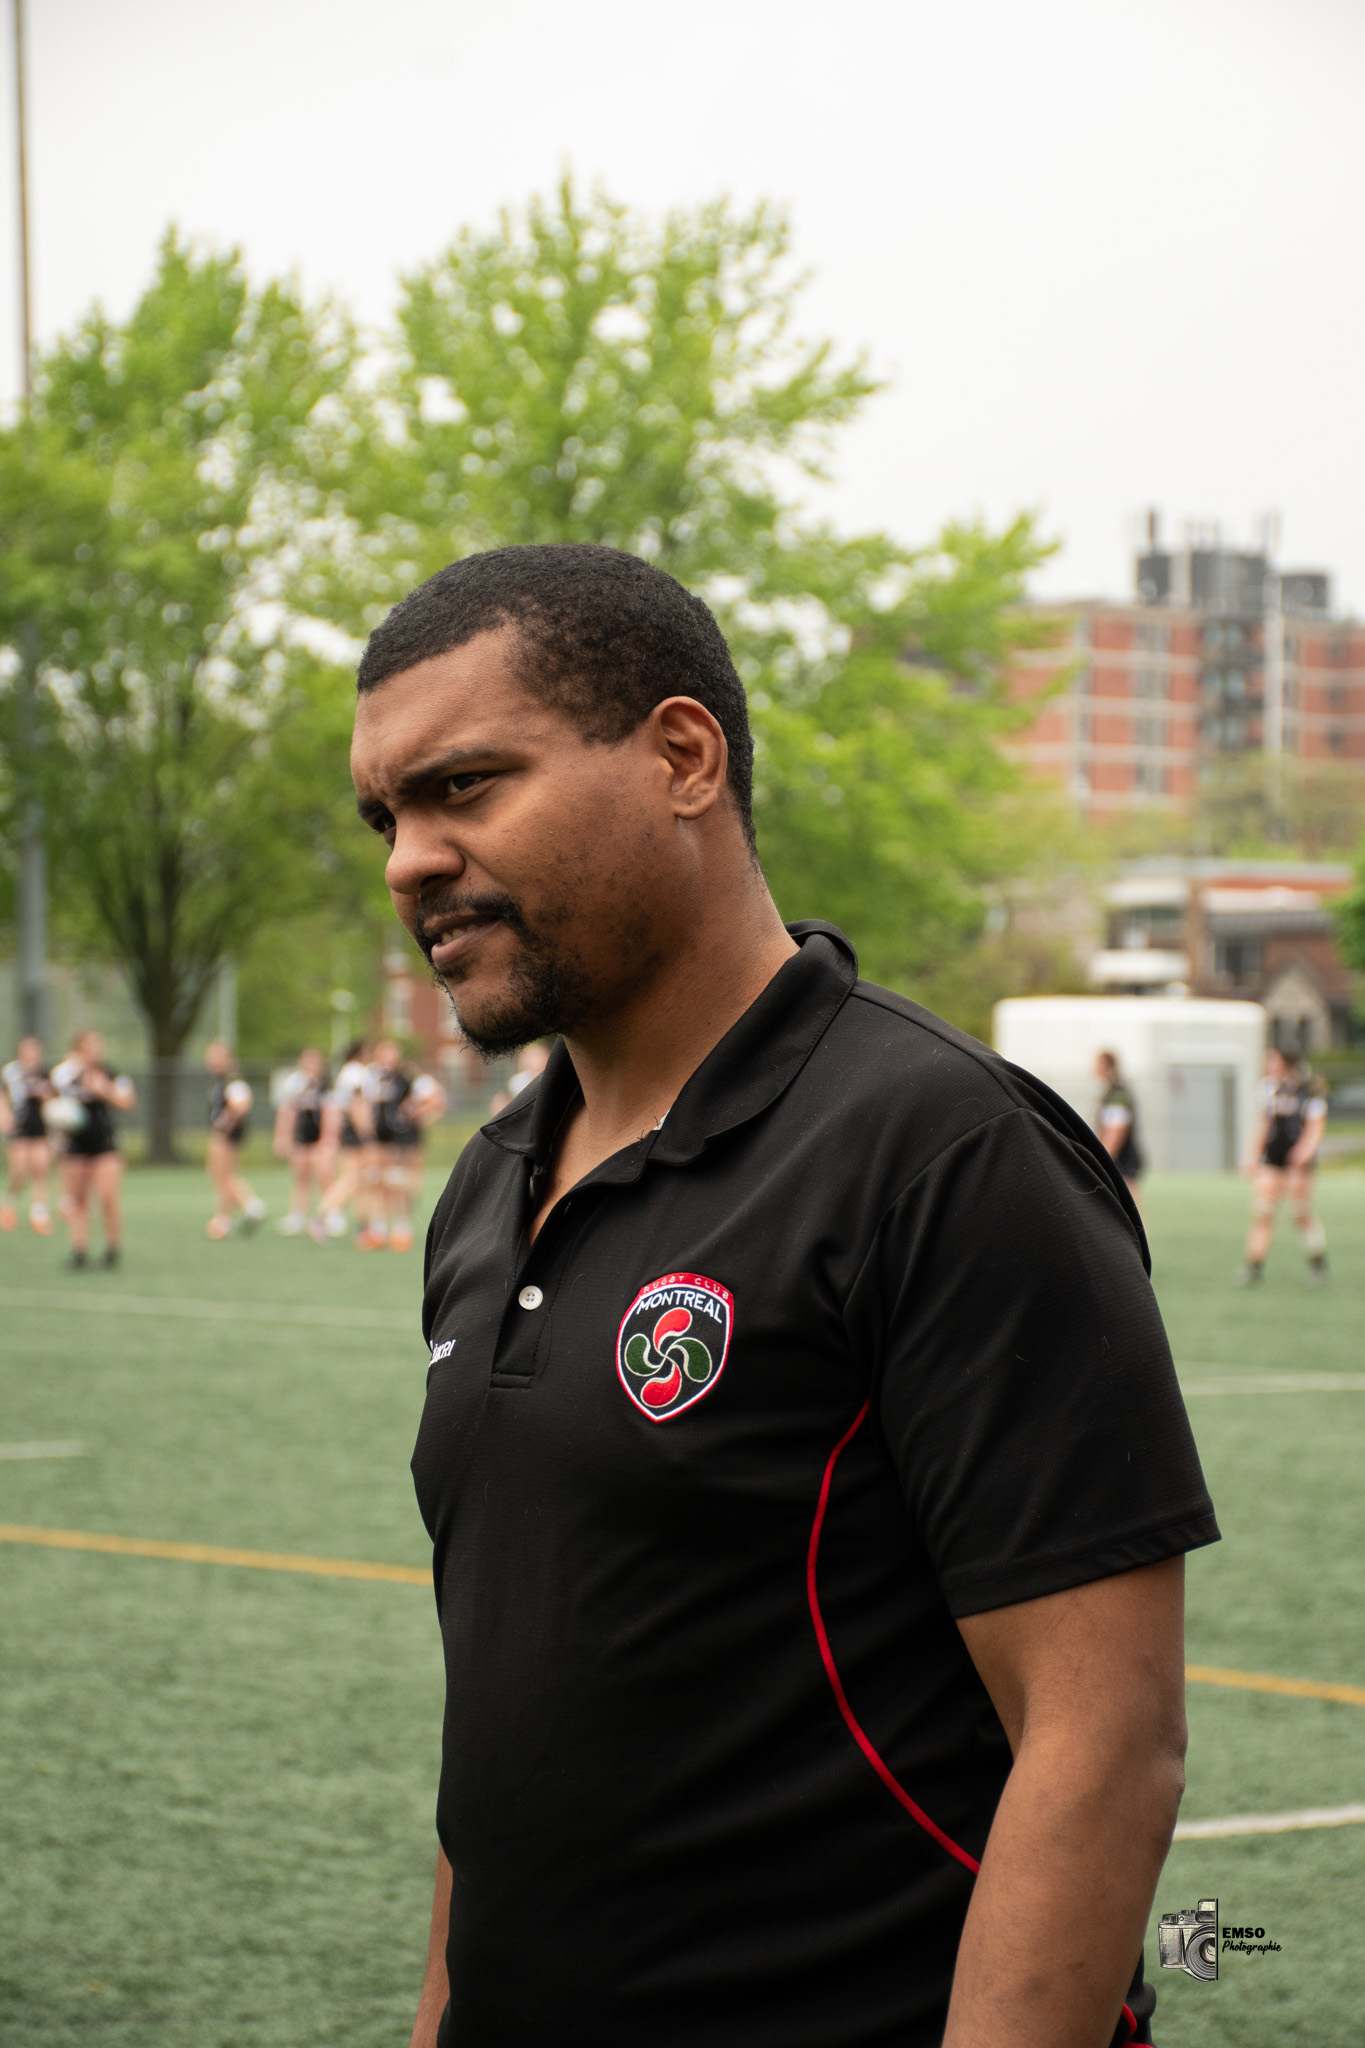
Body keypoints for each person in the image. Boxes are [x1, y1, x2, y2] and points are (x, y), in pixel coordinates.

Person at [351, 545, 1217, 2048]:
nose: (407, 860)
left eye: (465, 788)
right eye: (386, 814)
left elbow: (1102, 1746)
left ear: (683, 758)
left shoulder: (943, 1150)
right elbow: (506, 1725)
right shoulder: (490, 1183)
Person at [1237, 1045, 1329, 1287]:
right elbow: (1264, 1125)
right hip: (1273, 1160)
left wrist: (1303, 1152)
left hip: (1298, 1163)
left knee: (1301, 1215)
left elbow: (1315, 1127)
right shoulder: (1269, 1087)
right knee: (1262, 1212)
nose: (1268, 1064)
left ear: (1286, 1062)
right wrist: (1252, 1156)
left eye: (1272, 1059)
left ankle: (1318, 1263)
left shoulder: (1310, 1090)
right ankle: (1253, 1267)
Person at [49, 1031, 136, 1270]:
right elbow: (52, 1105)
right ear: (78, 1049)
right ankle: (79, 1251)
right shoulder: (65, 1076)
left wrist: (103, 1090)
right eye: (89, 1045)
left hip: (104, 1144)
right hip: (75, 1146)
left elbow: (128, 1102)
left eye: (98, 1044)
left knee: (107, 1197)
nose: (95, 1049)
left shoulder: (110, 1073)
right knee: (77, 1200)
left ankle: (112, 1250)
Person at [356, 1039, 447, 1253]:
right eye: (384, 1054)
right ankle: (377, 1230)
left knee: (397, 1182)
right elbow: (362, 1104)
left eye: (392, 1054)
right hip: (378, 1137)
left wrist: (417, 1114)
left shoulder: (408, 1077)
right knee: (375, 1180)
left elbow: (437, 1098)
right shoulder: (369, 1076)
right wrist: (365, 1130)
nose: (388, 1059)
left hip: (400, 1138)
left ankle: (401, 1230)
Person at [272, 1047, 337, 1240]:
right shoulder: (294, 1083)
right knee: (300, 1175)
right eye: (307, 1061)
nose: (311, 1066)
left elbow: (331, 1113)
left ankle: (330, 1215)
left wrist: (329, 1138)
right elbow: (287, 1111)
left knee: (324, 1175)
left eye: (315, 1061)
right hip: (302, 1135)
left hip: (319, 1136)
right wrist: (283, 1136)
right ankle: (298, 1215)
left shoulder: (326, 1084)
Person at [204, 1041, 266, 1241]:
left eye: (216, 1055)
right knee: (219, 1175)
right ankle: (225, 1218)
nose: (211, 1060)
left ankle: (250, 1206)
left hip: (227, 1136)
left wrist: (225, 1126)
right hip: (224, 1134)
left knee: (224, 1175)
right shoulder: (221, 1080)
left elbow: (241, 1106)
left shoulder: (234, 1080)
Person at [318, 1037, 374, 1240]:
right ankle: (324, 1215)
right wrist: (366, 1134)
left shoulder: (352, 1071)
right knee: (352, 1178)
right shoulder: (355, 1072)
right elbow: (357, 1105)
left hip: (351, 1129)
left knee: (359, 1179)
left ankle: (362, 1227)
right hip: (355, 1129)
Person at [1, 1036, 55, 1234]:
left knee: (40, 1169)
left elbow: (52, 1100)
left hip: (39, 1128)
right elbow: (2, 1098)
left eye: (35, 1050)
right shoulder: (11, 1072)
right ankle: (8, 1205)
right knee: (19, 1172)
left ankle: (39, 1214)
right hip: (19, 1129)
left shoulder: (43, 1073)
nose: (33, 1055)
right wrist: (4, 1117)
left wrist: (44, 1095)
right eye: (29, 1050)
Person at [1094, 1049, 1144, 1205]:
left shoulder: (1117, 1093)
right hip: (1119, 1160)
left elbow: (1115, 1131)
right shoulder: (1112, 1091)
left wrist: (1102, 1158)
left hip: (1122, 1160)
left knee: (1128, 1210)